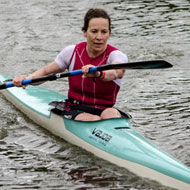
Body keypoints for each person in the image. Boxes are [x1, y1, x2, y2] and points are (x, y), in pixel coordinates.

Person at [13, 8, 128, 121]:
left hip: (105, 109)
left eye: (104, 32)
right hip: (75, 108)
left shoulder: (117, 56)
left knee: (112, 113)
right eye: (94, 31)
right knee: (92, 118)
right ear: (84, 32)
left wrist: (98, 73)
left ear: (109, 33)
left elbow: (116, 72)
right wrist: (27, 79)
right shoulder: (71, 52)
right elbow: (45, 73)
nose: (99, 37)